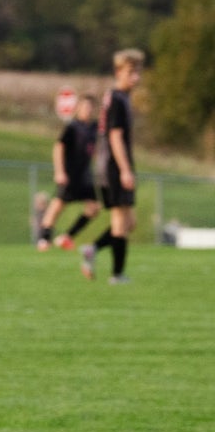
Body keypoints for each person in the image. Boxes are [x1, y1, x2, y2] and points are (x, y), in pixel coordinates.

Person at [80, 49, 145, 284]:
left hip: (115, 165)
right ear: (118, 72)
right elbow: (115, 136)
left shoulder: (121, 98)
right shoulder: (116, 98)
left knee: (130, 223)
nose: (136, 78)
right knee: (120, 221)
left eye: (138, 72)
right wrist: (125, 169)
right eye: (131, 72)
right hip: (113, 167)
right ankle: (117, 275)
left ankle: (92, 249)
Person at [36, 94, 99, 251]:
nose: (88, 110)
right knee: (57, 206)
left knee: (94, 207)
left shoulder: (94, 128)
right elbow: (58, 148)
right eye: (85, 107)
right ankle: (44, 239)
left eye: (90, 107)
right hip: (70, 174)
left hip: (85, 176)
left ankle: (67, 237)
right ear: (78, 108)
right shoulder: (72, 127)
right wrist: (59, 171)